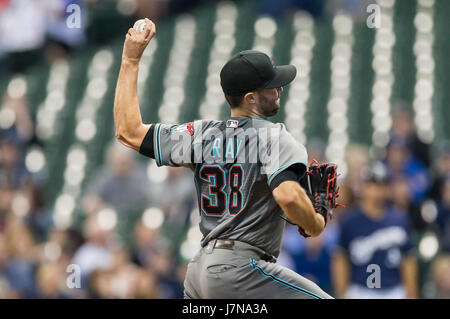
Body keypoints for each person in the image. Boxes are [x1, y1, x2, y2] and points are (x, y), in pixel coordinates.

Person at [113, 19, 332, 299]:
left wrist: (131, 60)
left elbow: (128, 132)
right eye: (271, 86)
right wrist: (314, 222)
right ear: (251, 98)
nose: (279, 89)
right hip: (240, 269)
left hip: (199, 270)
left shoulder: (200, 134)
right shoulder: (275, 137)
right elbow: (289, 197)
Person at [332, 163, 419, 299]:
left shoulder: (400, 219)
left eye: (381, 185)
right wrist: (342, 292)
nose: (377, 190)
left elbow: (408, 260)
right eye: (372, 184)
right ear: (363, 187)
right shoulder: (349, 220)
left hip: (394, 290)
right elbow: (341, 259)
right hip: (360, 290)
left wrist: (412, 294)